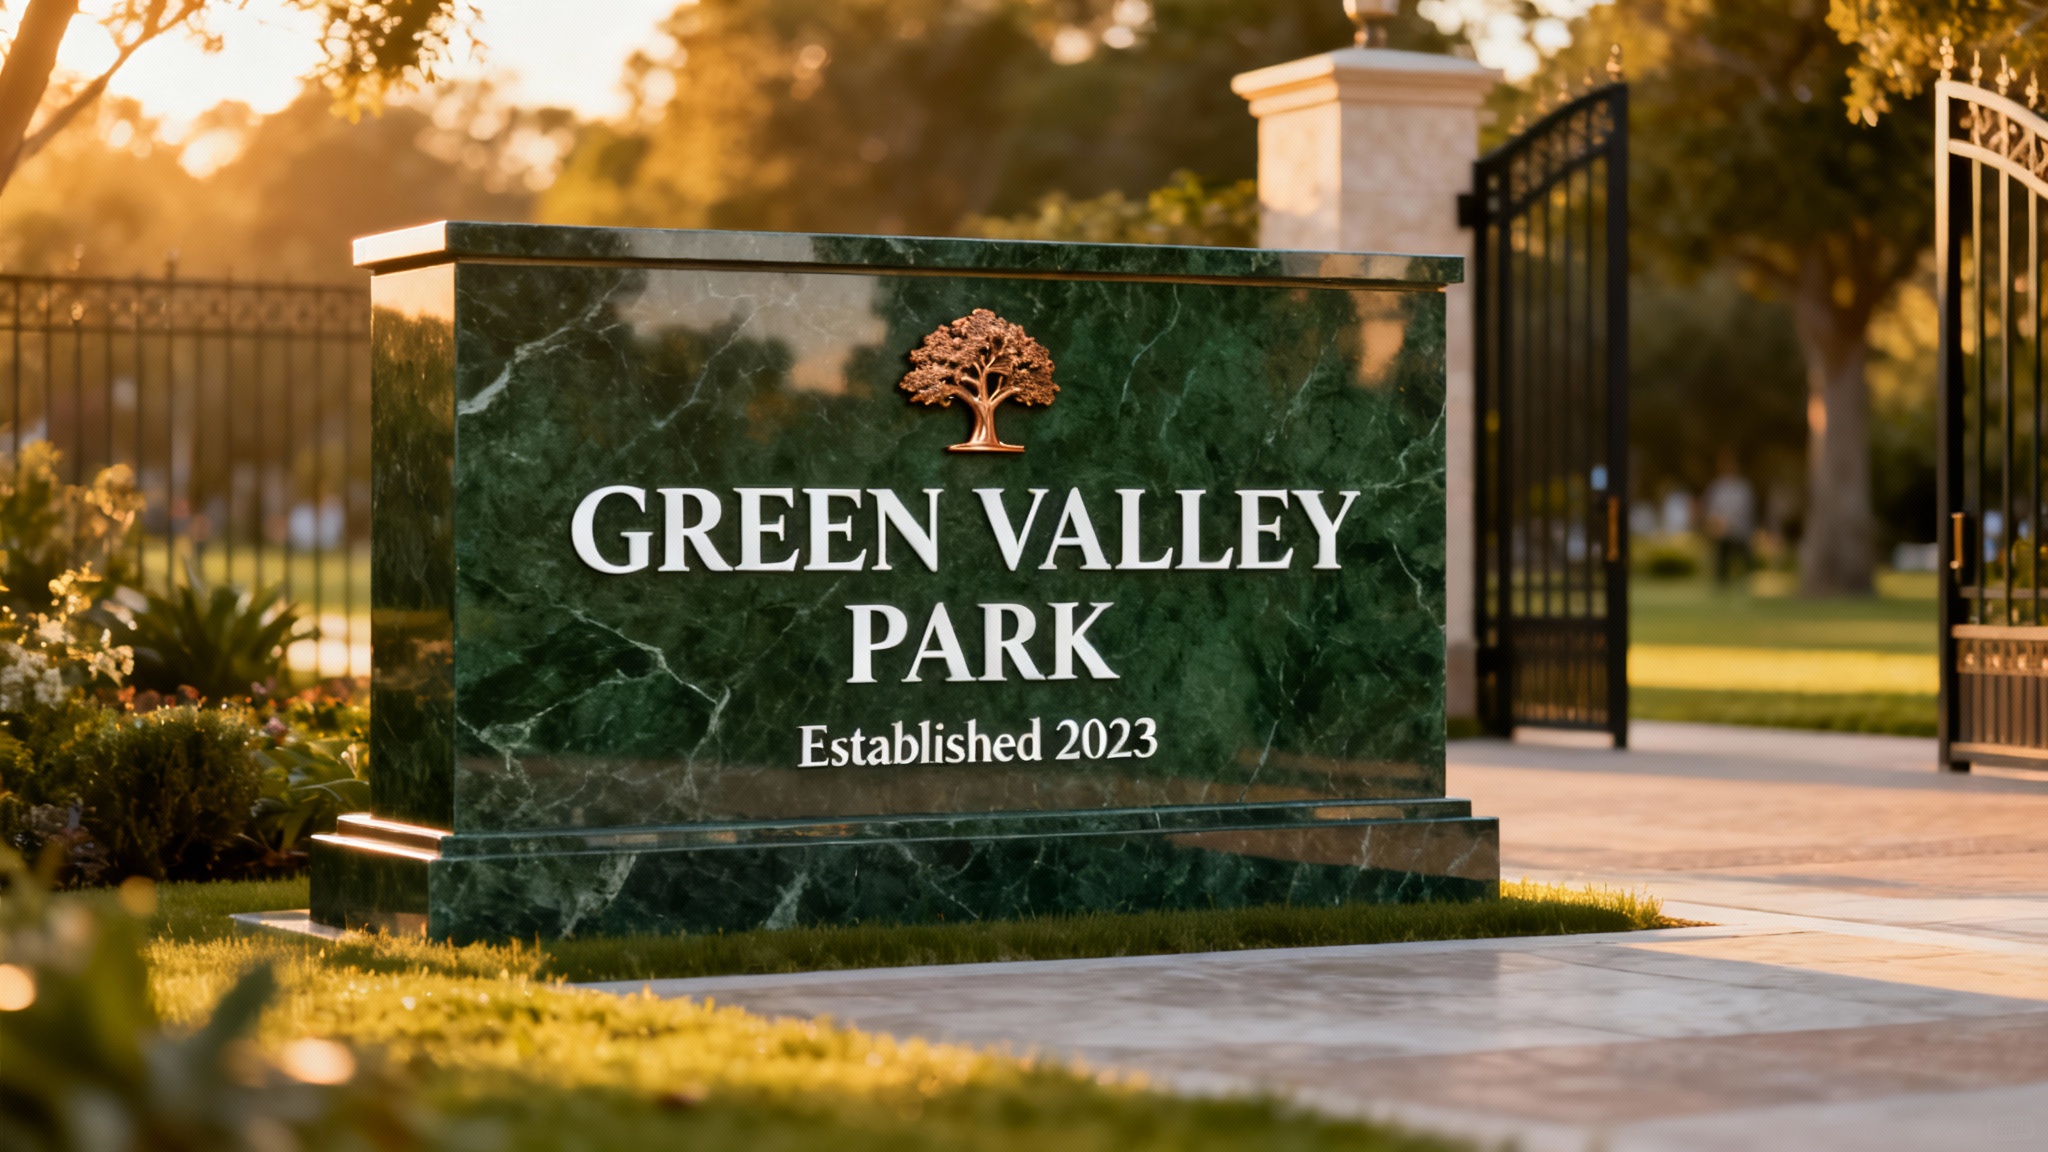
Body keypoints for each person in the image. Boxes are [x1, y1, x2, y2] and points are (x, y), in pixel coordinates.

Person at [1702, 448, 1756, 585]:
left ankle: (1746, 583)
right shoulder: (1716, 487)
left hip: (1740, 531)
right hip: (1722, 533)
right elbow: (1711, 510)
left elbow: (1747, 509)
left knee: (1745, 561)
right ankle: (1722, 585)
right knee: (1722, 564)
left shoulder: (1743, 487)